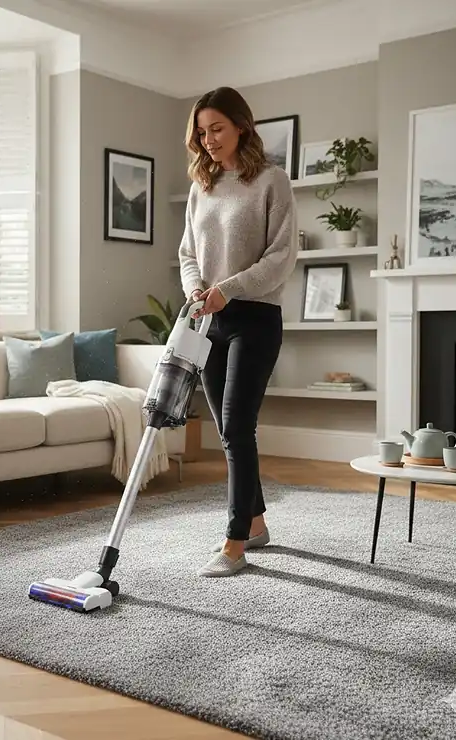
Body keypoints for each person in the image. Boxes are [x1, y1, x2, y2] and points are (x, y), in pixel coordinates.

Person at [177, 86, 298, 577]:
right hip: (210, 321)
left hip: (255, 318)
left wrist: (228, 288)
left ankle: (233, 544)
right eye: (202, 132)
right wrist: (196, 289)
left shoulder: (272, 180)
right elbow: (187, 252)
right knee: (229, 431)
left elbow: (281, 257)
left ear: (242, 125)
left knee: (237, 428)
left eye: (217, 128)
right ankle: (258, 523)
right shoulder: (200, 187)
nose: (208, 139)